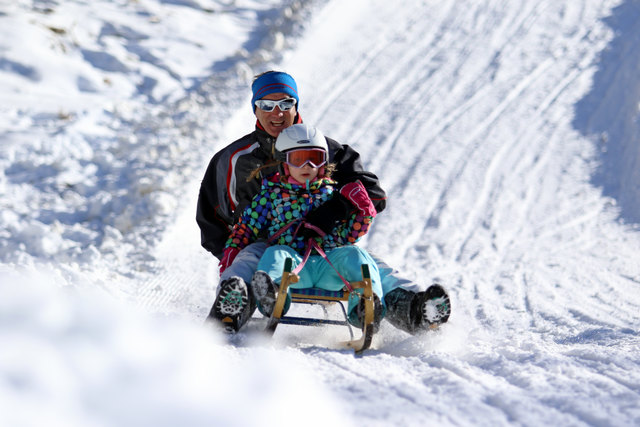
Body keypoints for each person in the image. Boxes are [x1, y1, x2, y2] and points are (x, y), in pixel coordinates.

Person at [196, 70, 450, 333]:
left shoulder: (325, 150)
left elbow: (373, 195)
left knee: (368, 264)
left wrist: (334, 210)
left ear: (296, 105)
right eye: (266, 105)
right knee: (247, 261)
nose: (277, 112)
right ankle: (232, 309)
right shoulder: (233, 159)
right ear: (255, 108)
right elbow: (211, 216)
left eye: (285, 103)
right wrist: (232, 250)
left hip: (325, 244)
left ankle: (414, 309)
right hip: (266, 244)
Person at [214, 124, 384, 332]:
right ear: (285, 163)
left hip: (328, 263)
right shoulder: (272, 194)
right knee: (274, 253)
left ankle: (366, 307)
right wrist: (233, 250)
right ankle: (272, 296)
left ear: (323, 164)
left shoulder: (331, 194)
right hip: (291, 268)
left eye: (315, 158)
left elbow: (348, 235)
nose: (307, 165)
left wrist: (364, 214)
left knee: (357, 256)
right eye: (298, 159)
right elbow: (247, 226)